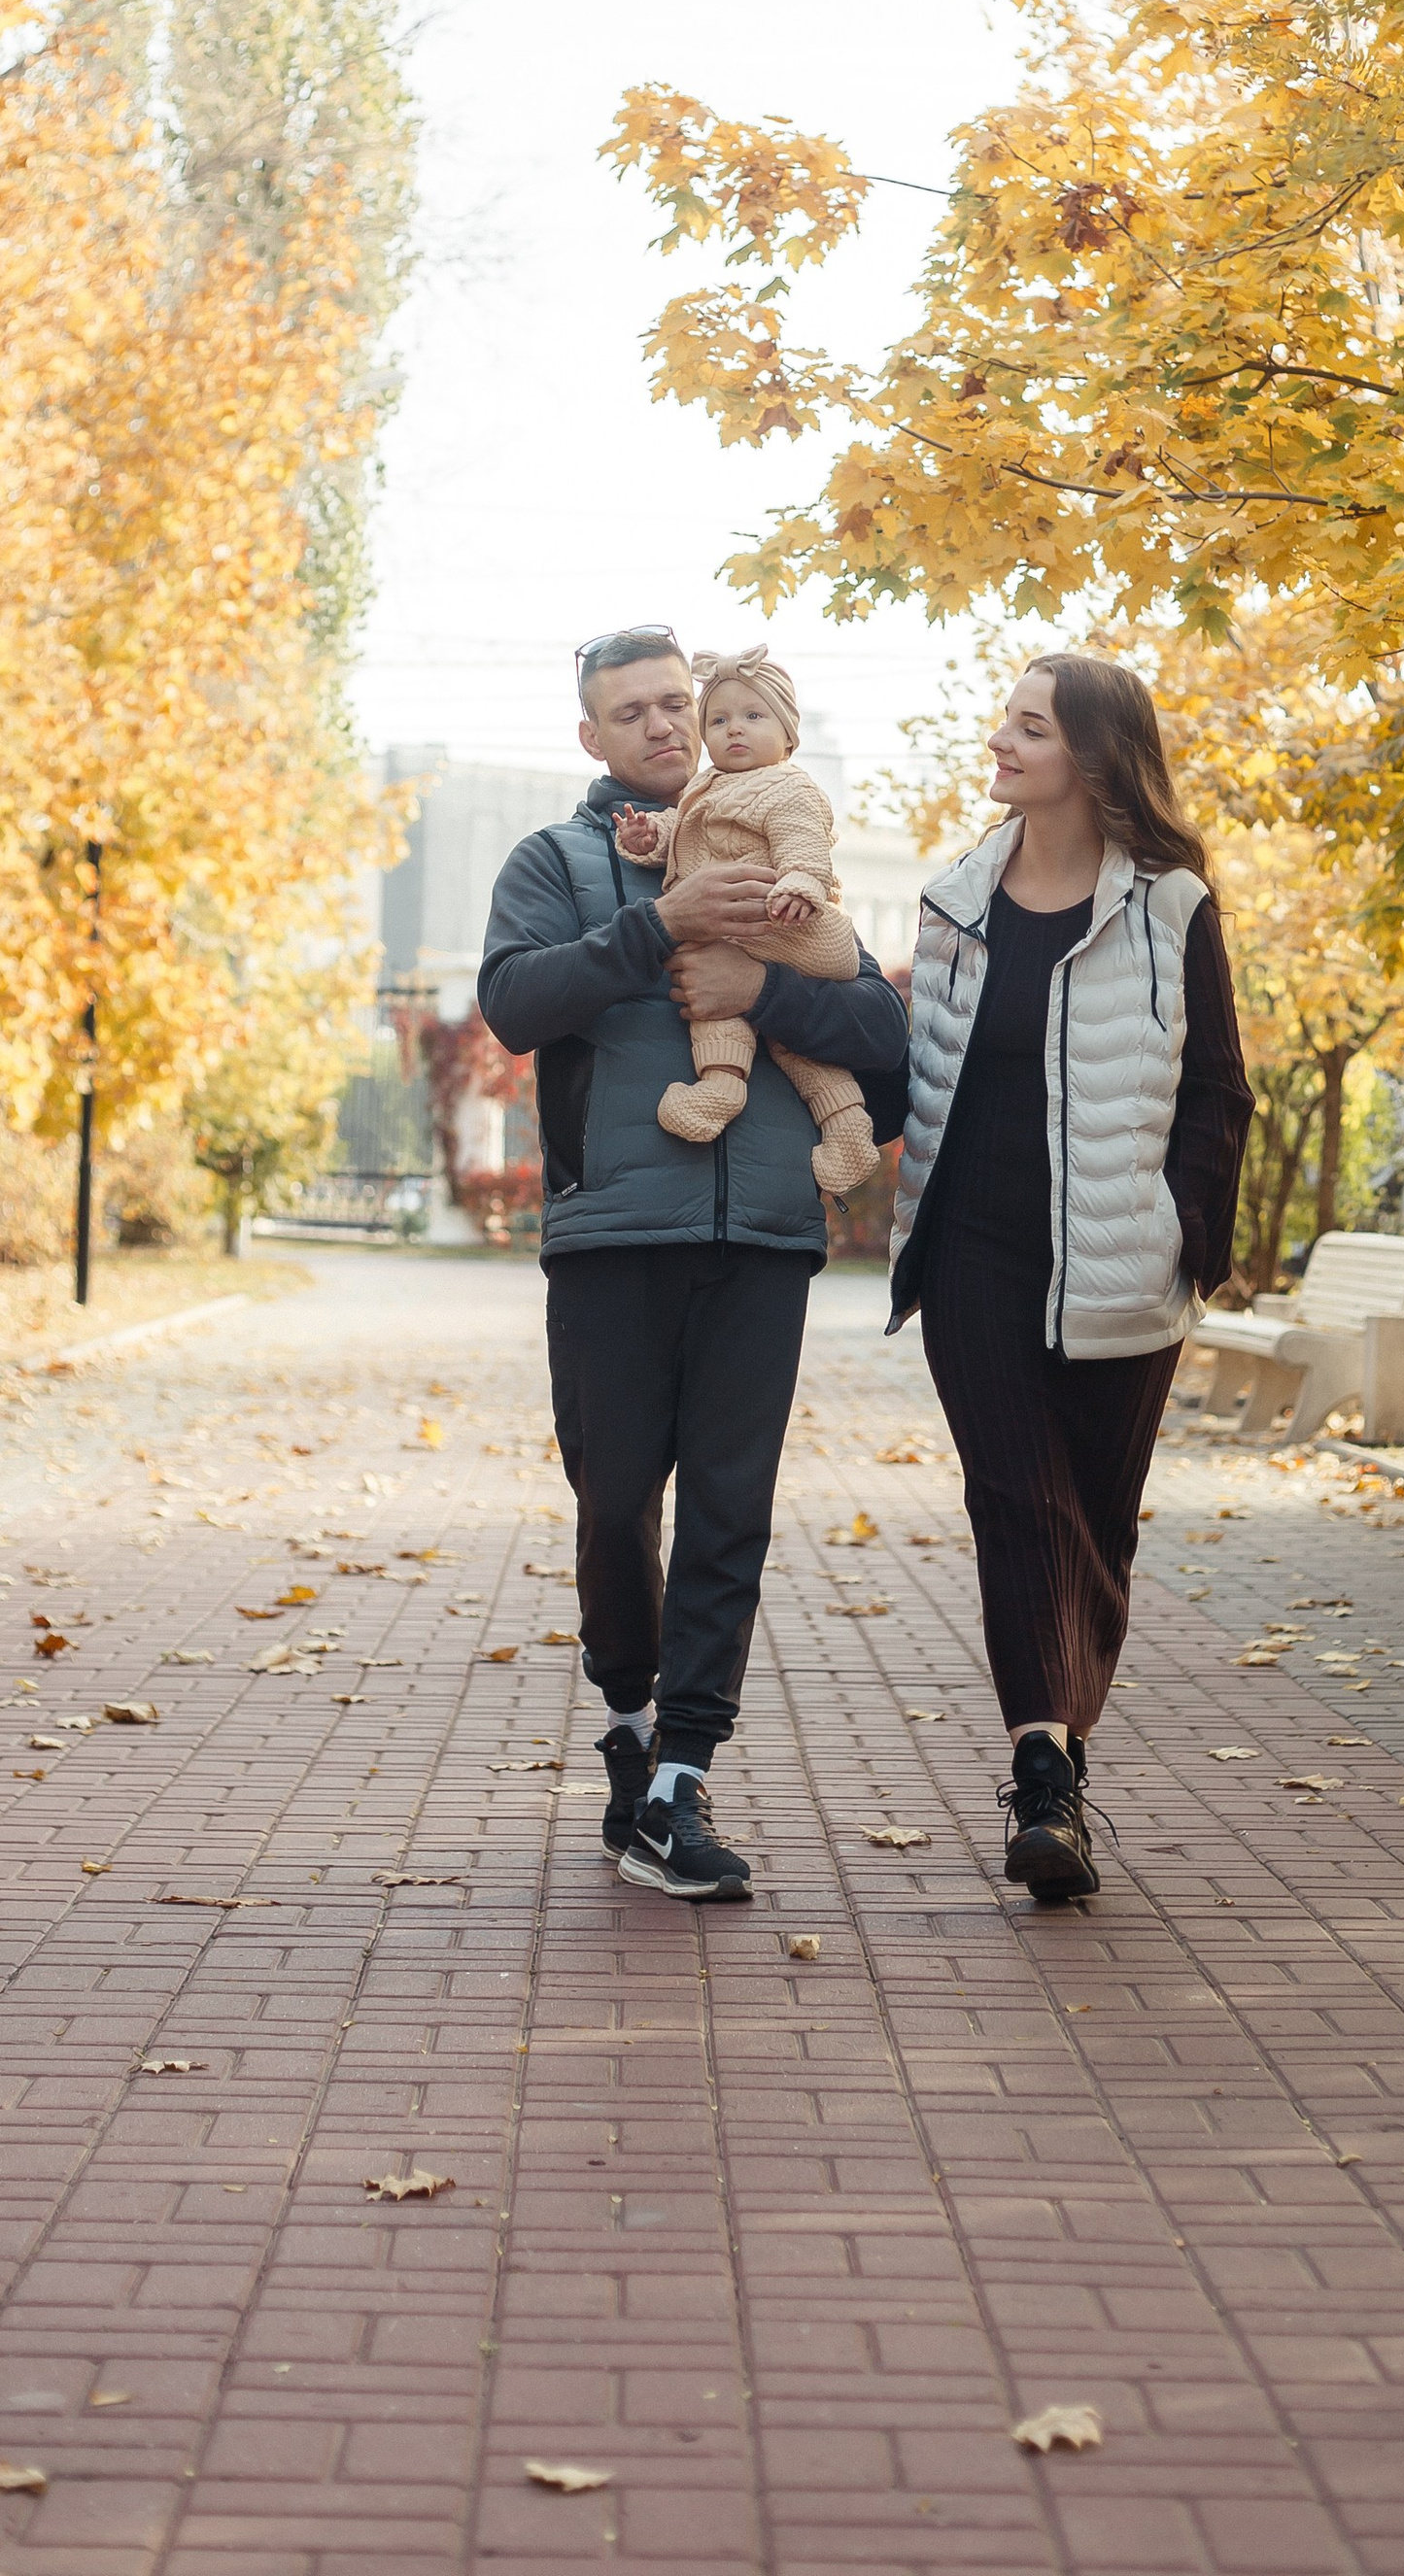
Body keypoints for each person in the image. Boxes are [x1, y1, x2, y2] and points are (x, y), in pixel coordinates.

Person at [477, 623, 910, 1902]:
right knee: (616, 1501)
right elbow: (513, 1004)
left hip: (766, 1238)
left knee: (731, 1510)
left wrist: (758, 987)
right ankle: (628, 1717)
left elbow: (880, 1039)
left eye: (679, 702)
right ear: (594, 738)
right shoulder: (552, 860)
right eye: (637, 712)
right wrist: (654, 927)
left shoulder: (789, 858)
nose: (668, 727)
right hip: (612, 1234)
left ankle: (678, 1780)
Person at [887, 652, 1256, 1903]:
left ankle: (1062, 1748)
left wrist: (1180, 1236)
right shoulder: (951, 901)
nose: (1000, 739)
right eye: (1005, 718)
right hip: (974, 1257)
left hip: (1117, 1265)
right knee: (1017, 1500)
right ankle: (1042, 1773)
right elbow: (913, 1070)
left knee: (1094, 1528)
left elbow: (1217, 1093)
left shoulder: (1170, 908)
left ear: (1092, 758)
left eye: (1028, 726)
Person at [613, 643, 880, 1192]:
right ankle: (815, 1114)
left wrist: (802, 882)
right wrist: (646, 838)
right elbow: (679, 831)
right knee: (751, 1016)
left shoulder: (788, 785)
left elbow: (802, 841)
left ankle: (736, 1088)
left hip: (788, 926)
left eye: (753, 717)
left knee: (731, 989)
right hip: (739, 940)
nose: (734, 730)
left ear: (788, 735)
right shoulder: (703, 789)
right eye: (719, 719)